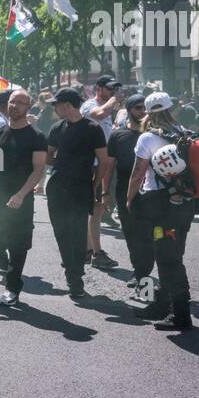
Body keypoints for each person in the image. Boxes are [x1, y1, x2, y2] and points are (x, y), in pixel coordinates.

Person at [125, 93, 195, 330]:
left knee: (168, 259)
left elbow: (137, 174)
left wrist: (129, 199)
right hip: (185, 203)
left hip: (160, 206)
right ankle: (163, 306)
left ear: (146, 112)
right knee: (172, 253)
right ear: (171, 108)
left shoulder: (147, 138)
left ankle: (181, 314)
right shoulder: (184, 133)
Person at [0, 89, 47, 305]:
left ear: (29, 106)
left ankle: (12, 289)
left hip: (20, 203)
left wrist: (21, 195)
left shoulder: (37, 137)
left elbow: (38, 170)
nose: (15, 106)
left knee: (17, 247)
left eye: (21, 103)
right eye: (12, 102)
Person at [45, 88, 112, 299]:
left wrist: (94, 183)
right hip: (56, 187)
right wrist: (63, 165)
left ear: (67, 105)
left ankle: (75, 277)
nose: (54, 109)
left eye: (56, 105)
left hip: (81, 188)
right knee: (61, 232)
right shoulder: (57, 128)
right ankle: (71, 268)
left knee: (77, 231)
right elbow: (47, 156)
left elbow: (104, 161)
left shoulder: (93, 128)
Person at [106, 94, 155, 300]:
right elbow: (109, 168)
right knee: (132, 236)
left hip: (151, 195)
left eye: (145, 108)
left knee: (148, 238)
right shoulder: (118, 136)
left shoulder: (155, 135)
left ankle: (145, 280)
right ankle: (139, 272)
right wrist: (104, 192)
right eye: (137, 108)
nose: (142, 112)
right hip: (124, 195)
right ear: (129, 110)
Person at [82, 75, 121, 269]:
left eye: (115, 89)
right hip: (91, 165)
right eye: (110, 89)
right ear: (98, 89)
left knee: (95, 209)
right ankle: (95, 252)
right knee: (94, 209)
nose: (113, 92)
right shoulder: (90, 105)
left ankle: (89, 249)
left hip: (101, 164)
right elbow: (97, 114)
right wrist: (113, 102)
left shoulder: (109, 109)